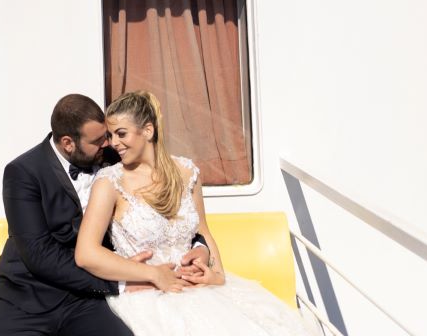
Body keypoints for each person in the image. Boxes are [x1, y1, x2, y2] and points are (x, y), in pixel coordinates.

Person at [75, 90, 313, 336]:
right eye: (111, 135)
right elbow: (86, 253)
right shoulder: (110, 182)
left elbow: (203, 232)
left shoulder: (187, 172)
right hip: (147, 299)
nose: (113, 143)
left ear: (148, 131)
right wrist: (153, 274)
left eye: (121, 134)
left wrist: (216, 275)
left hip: (199, 291)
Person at [0, 93, 211, 336]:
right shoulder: (23, 172)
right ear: (68, 143)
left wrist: (199, 244)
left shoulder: (116, 157)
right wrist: (122, 282)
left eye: (108, 135)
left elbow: (169, 206)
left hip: (89, 299)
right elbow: (39, 254)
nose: (109, 144)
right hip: (29, 293)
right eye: (98, 140)